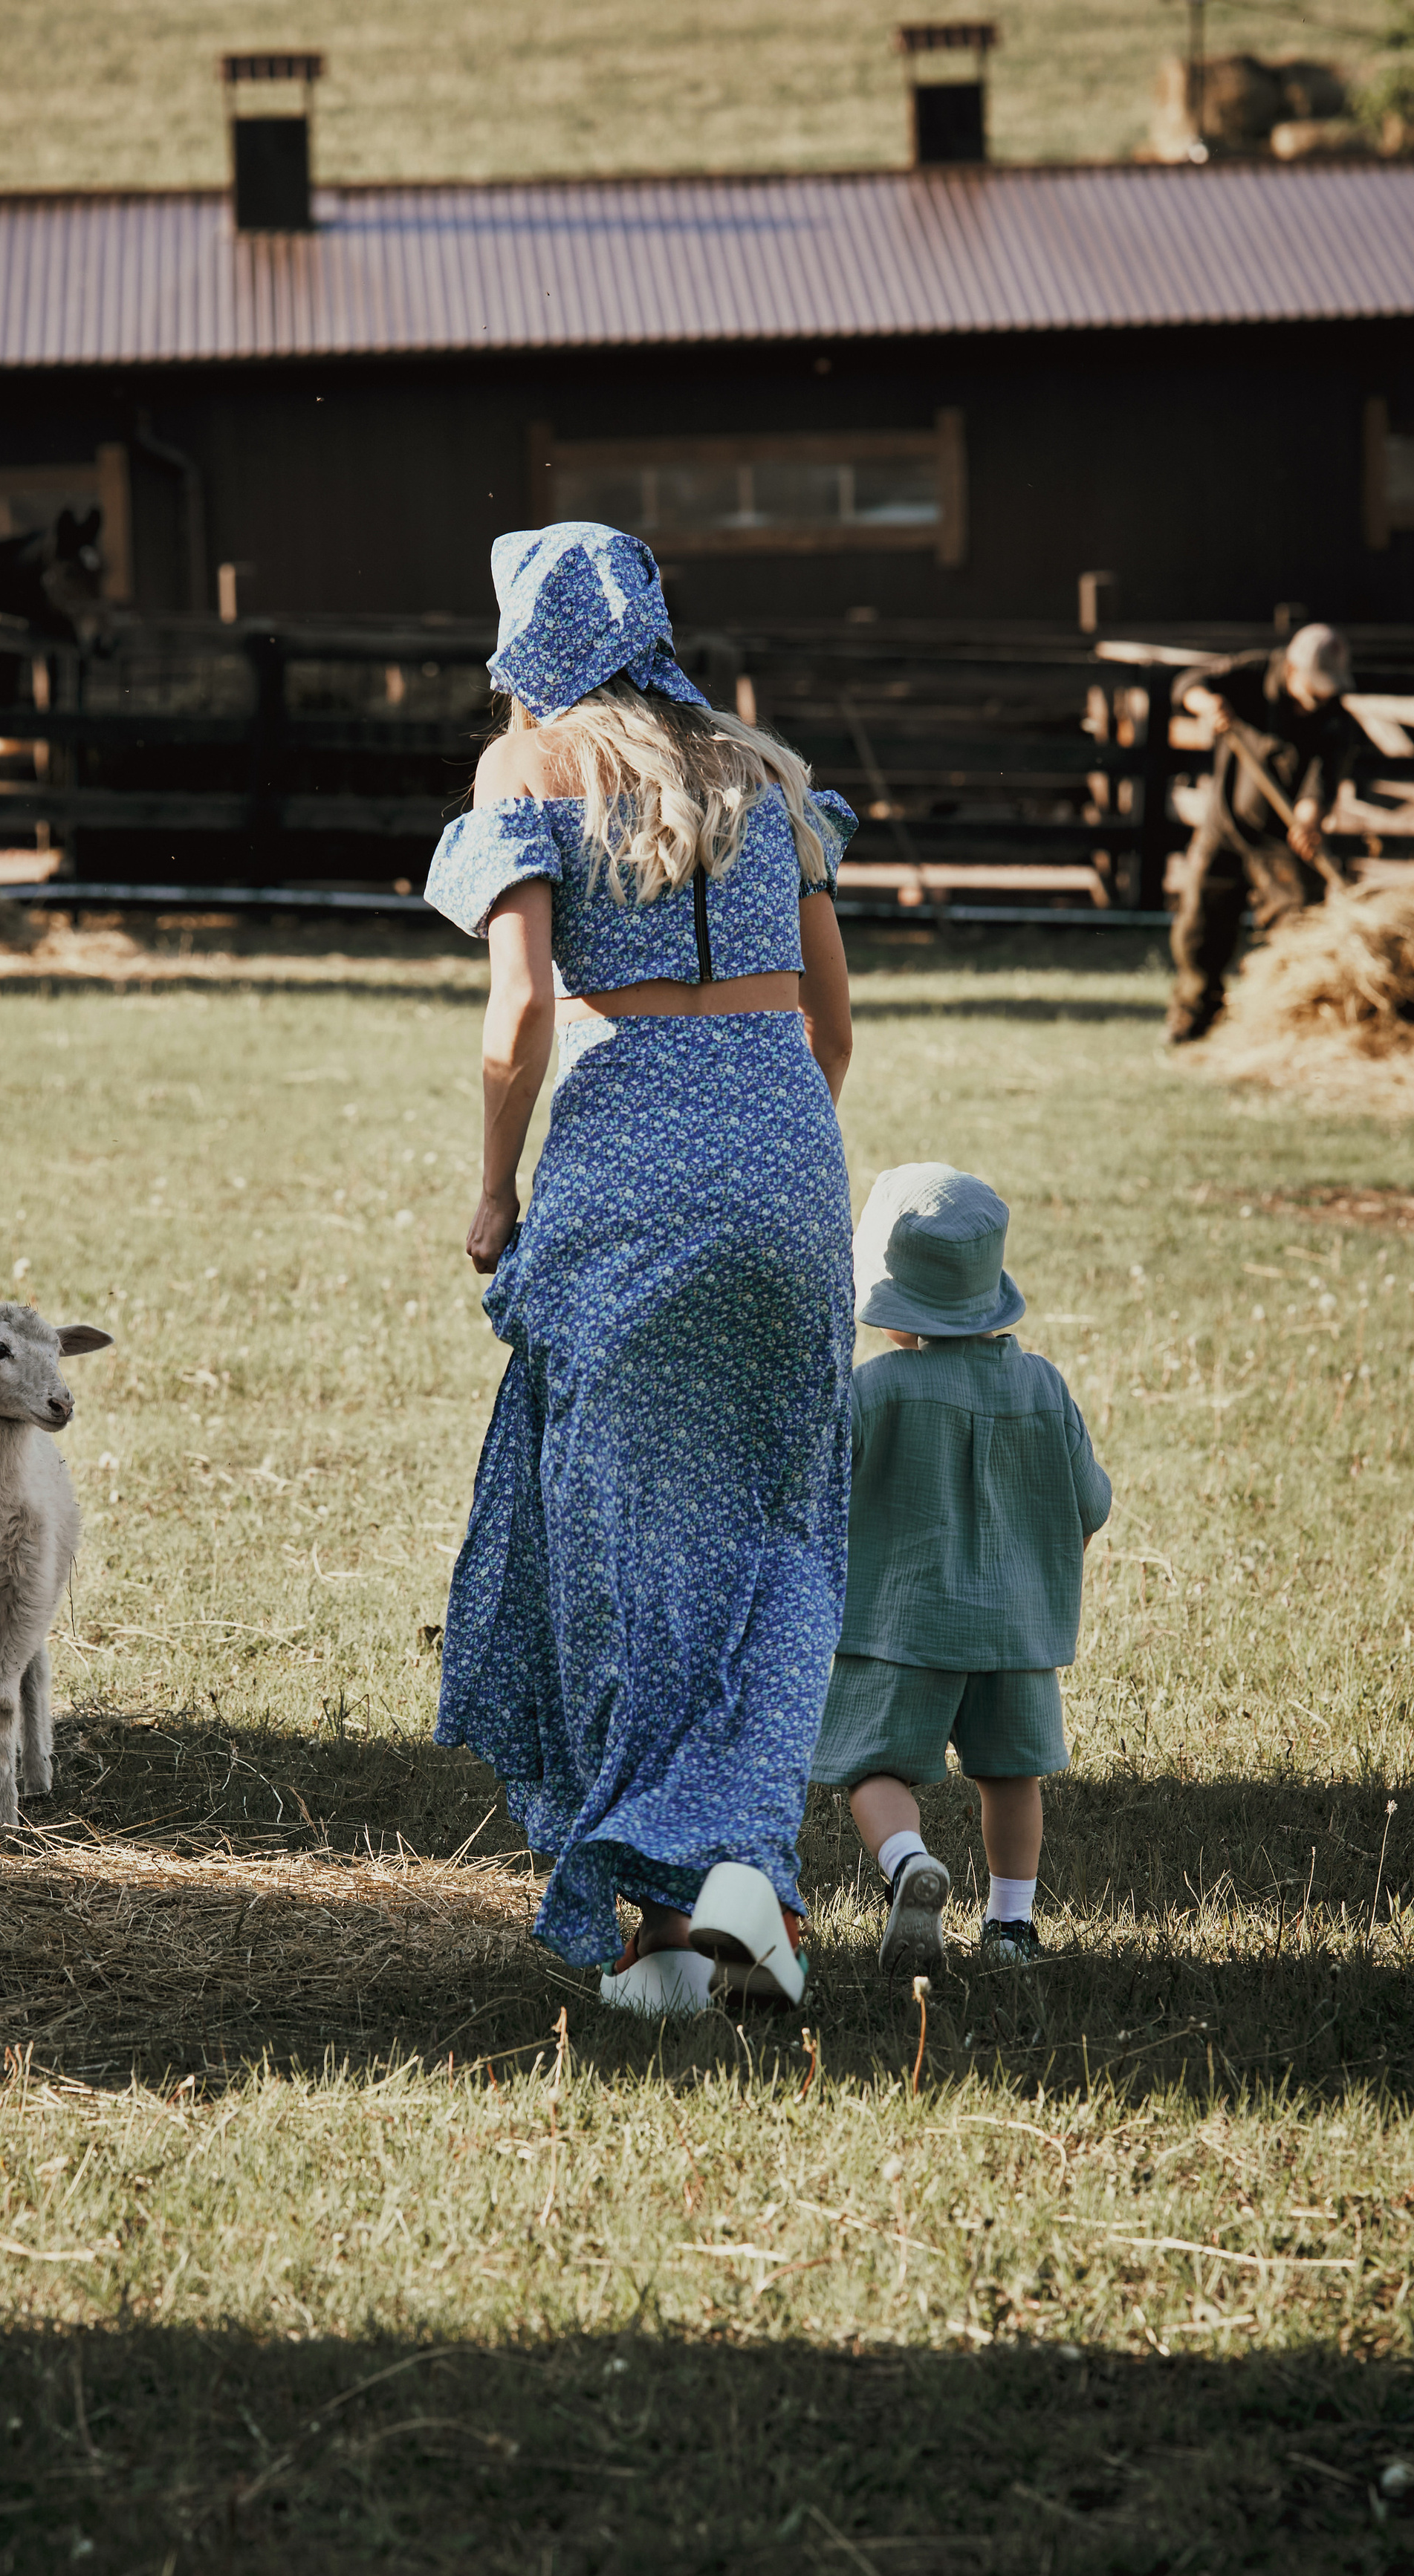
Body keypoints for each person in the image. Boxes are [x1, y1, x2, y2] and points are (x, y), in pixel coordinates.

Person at [422, 521, 859, 2014]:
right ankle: (739, 1886)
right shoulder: (762, 772)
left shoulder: (528, 768)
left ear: (523, 638)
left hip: (629, 1169)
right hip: (790, 1159)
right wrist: (765, 1153)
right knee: (777, 1526)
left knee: (621, 1535)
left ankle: (665, 1918)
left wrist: (496, 1186)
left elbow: (520, 1015)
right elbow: (832, 1026)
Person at [810, 1164, 1112, 1974]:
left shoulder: (872, 1392)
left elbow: (813, 1497)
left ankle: (909, 1862)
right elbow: (1090, 1505)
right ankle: (1011, 1925)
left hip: (897, 1630)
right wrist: (1032, 1578)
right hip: (1016, 1635)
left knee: (873, 1767)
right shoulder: (1043, 1387)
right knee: (1012, 1777)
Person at [1165, 622, 1359, 1045]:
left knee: (1299, 927)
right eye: (1315, 685)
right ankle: (1193, 1015)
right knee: (1200, 924)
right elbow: (1187, 684)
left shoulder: (1335, 720)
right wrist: (1208, 705)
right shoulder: (1253, 676)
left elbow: (1322, 782)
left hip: (1282, 840)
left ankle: (1295, 1025)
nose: (1321, 696)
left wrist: (1309, 819)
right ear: (1292, 669)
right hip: (1225, 826)